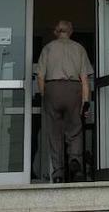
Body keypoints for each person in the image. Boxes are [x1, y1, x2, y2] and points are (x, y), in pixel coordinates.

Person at [36, 20, 91, 183]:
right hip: (74, 89)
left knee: (54, 132)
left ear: (55, 31)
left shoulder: (48, 48)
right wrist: (85, 101)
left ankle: (58, 172)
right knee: (75, 129)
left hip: (52, 88)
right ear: (71, 31)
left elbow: (40, 76)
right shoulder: (79, 48)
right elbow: (85, 78)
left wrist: (45, 95)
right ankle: (75, 161)